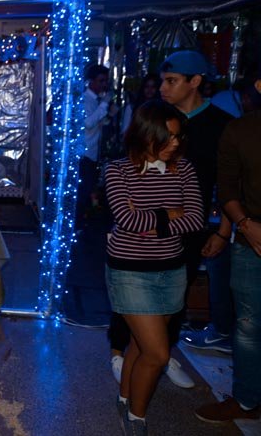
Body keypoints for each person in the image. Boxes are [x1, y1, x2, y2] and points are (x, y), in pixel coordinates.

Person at [104, 100, 204, 435]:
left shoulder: (183, 169)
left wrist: (153, 221)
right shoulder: (117, 170)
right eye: (168, 137)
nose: (175, 143)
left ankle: (124, 397)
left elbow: (195, 219)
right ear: (146, 135)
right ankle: (136, 417)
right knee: (158, 354)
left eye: (178, 136)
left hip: (171, 271)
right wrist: (171, 213)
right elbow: (128, 220)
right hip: (129, 271)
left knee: (140, 344)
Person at [155, 51, 234, 357]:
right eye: (163, 80)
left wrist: (223, 232)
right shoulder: (155, 118)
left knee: (177, 292)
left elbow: (229, 185)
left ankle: (163, 353)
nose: (163, 88)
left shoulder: (221, 125)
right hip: (149, 221)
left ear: (195, 81)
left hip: (190, 226)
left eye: (172, 81)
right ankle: (141, 352)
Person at [195, 78, 261, 424]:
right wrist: (245, 226)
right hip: (251, 238)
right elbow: (227, 189)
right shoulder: (240, 130)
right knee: (248, 326)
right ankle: (247, 400)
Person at [76, 63, 116, 227]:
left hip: (92, 152)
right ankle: (78, 225)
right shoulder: (85, 100)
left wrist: (108, 116)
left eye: (105, 81)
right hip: (84, 153)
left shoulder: (96, 101)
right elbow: (87, 123)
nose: (104, 85)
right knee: (83, 191)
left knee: (87, 191)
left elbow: (97, 124)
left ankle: (81, 224)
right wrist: (104, 104)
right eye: (101, 81)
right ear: (91, 81)